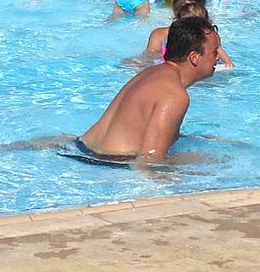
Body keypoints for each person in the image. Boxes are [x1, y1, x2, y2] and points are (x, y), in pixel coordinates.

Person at [75, 16, 220, 164]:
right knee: (214, 163)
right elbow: (150, 161)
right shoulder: (175, 95)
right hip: (111, 164)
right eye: (215, 52)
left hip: (83, 148)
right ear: (194, 57)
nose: (218, 58)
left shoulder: (150, 73)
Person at [142, 0, 234, 68]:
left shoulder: (159, 35)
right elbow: (219, 55)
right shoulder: (210, 35)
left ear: (175, 11)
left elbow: (149, 59)